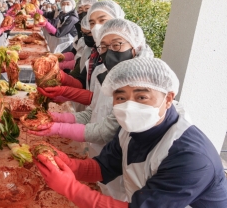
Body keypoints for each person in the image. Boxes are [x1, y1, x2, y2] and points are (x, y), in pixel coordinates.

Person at [35, 57, 227, 207]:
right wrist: (68, 164)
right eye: (121, 98)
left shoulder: (190, 158)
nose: (129, 107)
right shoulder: (131, 129)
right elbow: (104, 168)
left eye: (141, 97)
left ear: (168, 98)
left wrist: (71, 188)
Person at [32, 19, 154, 200]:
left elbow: (105, 132)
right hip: (101, 159)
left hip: (125, 188)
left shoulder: (181, 151)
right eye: (103, 47)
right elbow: (94, 113)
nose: (127, 102)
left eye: (117, 44)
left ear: (167, 98)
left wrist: (71, 188)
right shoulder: (105, 74)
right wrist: (54, 118)